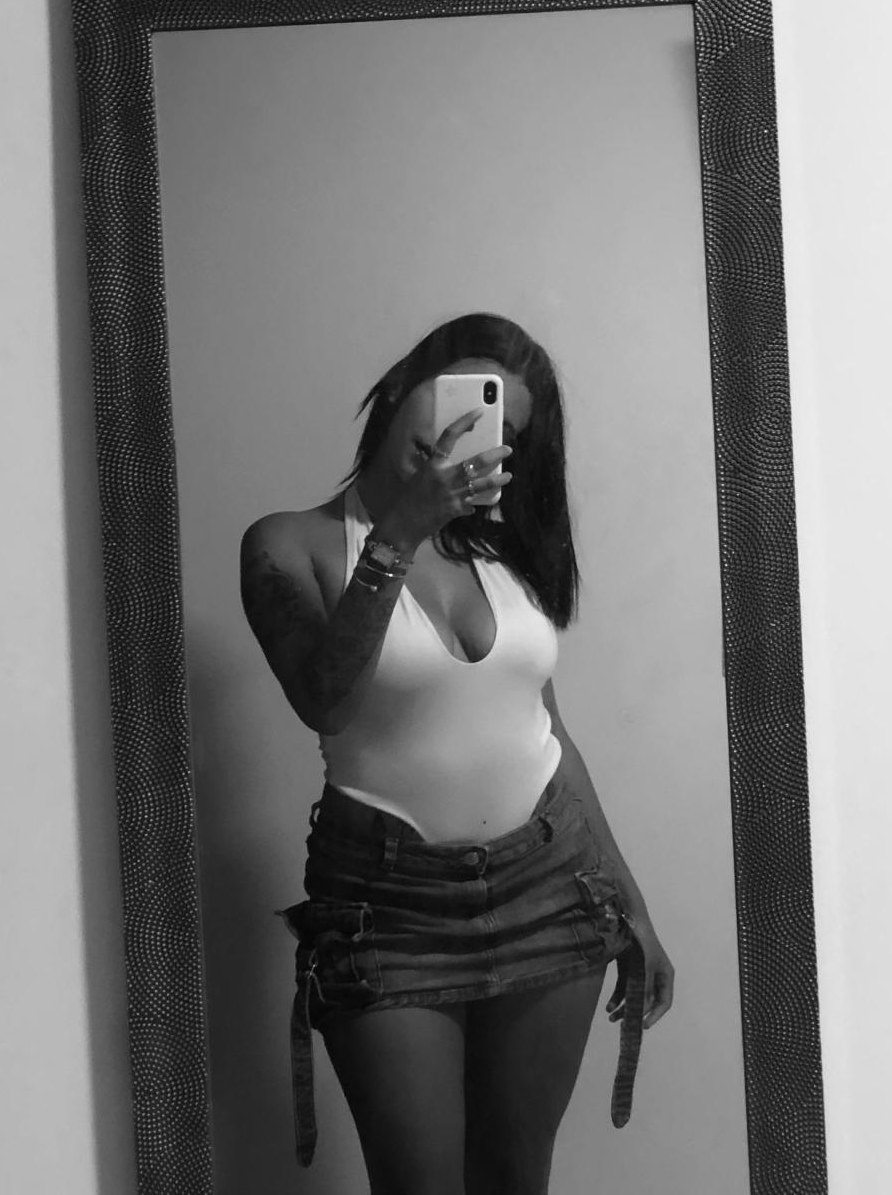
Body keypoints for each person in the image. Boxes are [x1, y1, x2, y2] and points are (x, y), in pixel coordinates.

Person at [240, 312, 674, 1195]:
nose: (468, 431)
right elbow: (325, 701)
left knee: (516, 1178)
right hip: (388, 913)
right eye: (458, 401)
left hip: (551, 886)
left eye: (499, 428)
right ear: (404, 387)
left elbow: (547, 732)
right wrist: (396, 535)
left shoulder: (502, 551)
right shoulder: (286, 544)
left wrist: (631, 904)